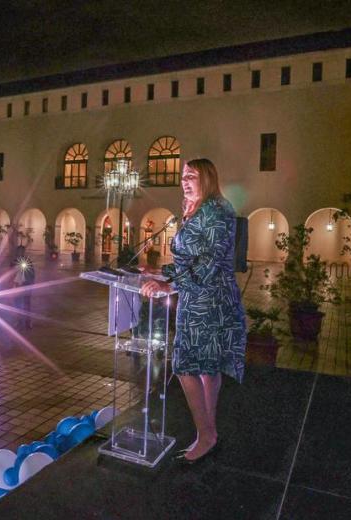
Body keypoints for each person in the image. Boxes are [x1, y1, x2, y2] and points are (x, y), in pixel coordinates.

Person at [141, 158, 246, 465]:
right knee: (207, 368)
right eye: (183, 176)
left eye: (192, 176)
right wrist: (160, 271)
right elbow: (191, 259)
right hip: (196, 299)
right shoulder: (198, 210)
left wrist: (167, 286)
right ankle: (208, 432)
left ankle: (206, 435)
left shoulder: (216, 211)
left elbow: (208, 264)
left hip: (210, 303)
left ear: (208, 178)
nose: (184, 181)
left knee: (187, 366)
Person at [12, 246, 35, 329]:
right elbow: (10, 273)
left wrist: (30, 284)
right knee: (17, 304)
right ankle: (19, 321)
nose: (21, 253)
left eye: (22, 251)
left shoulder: (28, 261)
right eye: (19, 251)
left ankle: (27, 322)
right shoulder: (14, 261)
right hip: (17, 286)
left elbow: (32, 274)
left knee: (27, 304)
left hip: (26, 285)